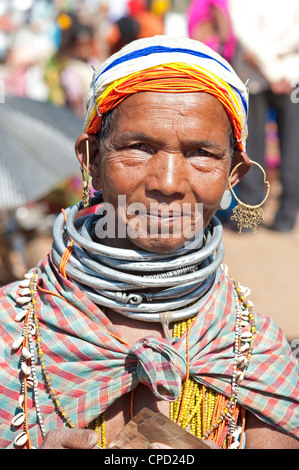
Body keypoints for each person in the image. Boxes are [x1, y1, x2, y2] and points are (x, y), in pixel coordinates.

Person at [0, 36, 298, 450]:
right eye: (138, 147)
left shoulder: (255, 352)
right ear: (91, 161)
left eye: (201, 153)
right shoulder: (12, 331)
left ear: (233, 175)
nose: (169, 183)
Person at [228, 0, 299, 232]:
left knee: (253, 150)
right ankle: (285, 221)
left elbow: (248, 40)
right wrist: (277, 68)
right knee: (288, 148)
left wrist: (267, 65)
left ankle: (249, 221)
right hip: (287, 75)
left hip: (259, 73)